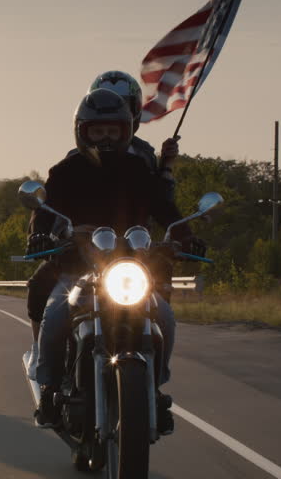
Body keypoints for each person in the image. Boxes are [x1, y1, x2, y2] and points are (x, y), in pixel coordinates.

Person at [25, 89, 205, 435]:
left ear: (126, 132)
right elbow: (44, 211)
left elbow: (164, 208)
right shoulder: (65, 171)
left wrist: (185, 235)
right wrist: (40, 235)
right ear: (83, 133)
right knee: (55, 315)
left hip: (130, 266)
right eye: (98, 131)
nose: (105, 139)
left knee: (165, 317)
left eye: (113, 131)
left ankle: (154, 389)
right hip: (78, 267)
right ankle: (48, 389)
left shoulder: (138, 170)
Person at [72, 70, 180, 200]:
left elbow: (159, 202)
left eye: (124, 105)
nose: (115, 113)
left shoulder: (144, 153)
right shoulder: (72, 161)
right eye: (105, 106)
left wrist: (165, 166)